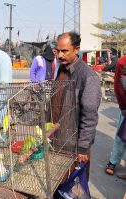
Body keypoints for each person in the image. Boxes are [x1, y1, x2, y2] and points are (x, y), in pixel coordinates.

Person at [55, 32, 101, 177]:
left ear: (76, 50)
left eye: (64, 51)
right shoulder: (62, 68)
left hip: (75, 146)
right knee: (58, 185)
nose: (60, 55)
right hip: (59, 139)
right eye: (58, 51)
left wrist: (82, 148)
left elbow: (90, 116)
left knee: (75, 188)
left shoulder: (87, 76)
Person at [105, 55, 126, 178]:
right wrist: (123, 106)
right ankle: (113, 161)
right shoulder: (122, 62)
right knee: (121, 137)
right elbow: (118, 85)